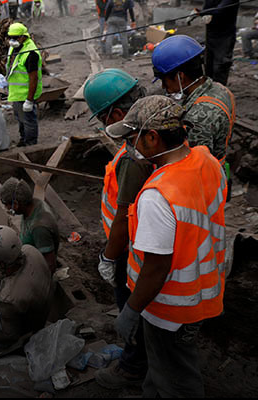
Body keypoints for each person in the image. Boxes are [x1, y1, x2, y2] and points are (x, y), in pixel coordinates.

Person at [105, 95, 227, 397]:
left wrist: (131, 310)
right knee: (163, 370)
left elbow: (156, 267)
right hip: (199, 291)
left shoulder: (158, 196)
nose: (130, 147)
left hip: (168, 308)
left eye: (133, 138)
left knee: (177, 379)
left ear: (152, 137)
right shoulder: (207, 161)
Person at [85, 68, 152, 389]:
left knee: (131, 309)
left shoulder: (134, 158)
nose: (103, 126)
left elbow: (124, 214)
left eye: (102, 119)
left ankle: (133, 366)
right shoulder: (158, 134)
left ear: (117, 114)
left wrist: (110, 257)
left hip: (132, 250)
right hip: (149, 243)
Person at [151, 35, 236, 172]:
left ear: (180, 76)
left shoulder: (197, 118)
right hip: (220, 168)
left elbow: (195, 167)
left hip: (208, 182)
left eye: (164, 80)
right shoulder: (220, 89)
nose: (163, 86)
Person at [0, 177, 60, 273]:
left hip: (35, 267)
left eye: (6, 204)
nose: (6, 208)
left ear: (16, 204)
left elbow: (49, 265)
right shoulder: (33, 205)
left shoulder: (39, 228)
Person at [5, 22, 42, 146]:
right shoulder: (15, 47)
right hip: (16, 93)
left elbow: (33, 78)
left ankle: (31, 143)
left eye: (15, 38)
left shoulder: (31, 53)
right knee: (20, 119)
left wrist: (29, 100)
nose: (12, 40)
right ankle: (23, 139)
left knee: (29, 120)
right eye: (10, 37)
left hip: (26, 94)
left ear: (23, 36)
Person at [196, 0, 241, 85]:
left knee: (220, 66)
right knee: (208, 66)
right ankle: (209, 90)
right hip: (211, 35)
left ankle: (220, 92)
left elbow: (220, 10)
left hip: (225, 37)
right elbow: (206, 8)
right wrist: (200, 12)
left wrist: (201, 13)